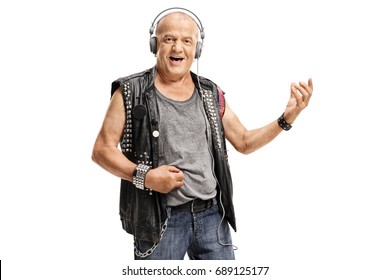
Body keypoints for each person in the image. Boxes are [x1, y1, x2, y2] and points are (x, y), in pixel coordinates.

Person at [91, 7, 313, 260]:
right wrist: (146, 177)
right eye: (169, 39)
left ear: (197, 49)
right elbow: (101, 151)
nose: (178, 48)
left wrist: (286, 118)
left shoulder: (209, 93)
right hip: (160, 220)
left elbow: (243, 141)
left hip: (212, 218)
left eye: (187, 41)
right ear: (155, 45)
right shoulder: (131, 91)